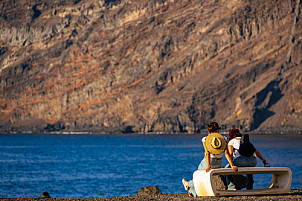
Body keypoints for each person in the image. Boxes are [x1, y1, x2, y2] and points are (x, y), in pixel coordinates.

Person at [182, 122, 238, 197]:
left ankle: (189, 185)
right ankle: (190, 189)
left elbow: (207, 154)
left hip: (210, 161)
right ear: (218, 130)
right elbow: (226, 153)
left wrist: (208, 165)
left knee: (199, 172)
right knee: (201, 173)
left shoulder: (205, 139)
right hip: (218, 163)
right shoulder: (223, 139)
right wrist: (232, 165)